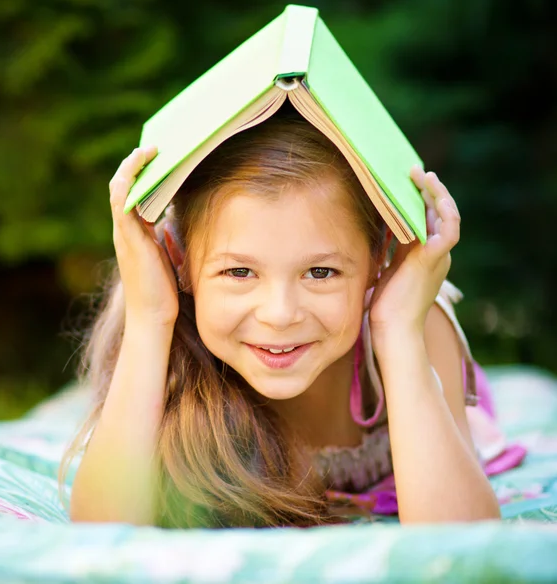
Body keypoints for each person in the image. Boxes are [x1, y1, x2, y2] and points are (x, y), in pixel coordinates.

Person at [60, 105, 524, 528]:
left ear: (378, 259)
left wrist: (397, 332)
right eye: (239, 271)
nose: (280, 315)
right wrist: (149, 319)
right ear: (180, 259)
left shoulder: (415, 321)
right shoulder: (159, 331)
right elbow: (103, 529)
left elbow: (466, 539)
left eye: (320, 272)